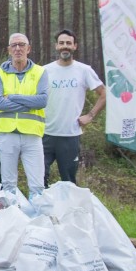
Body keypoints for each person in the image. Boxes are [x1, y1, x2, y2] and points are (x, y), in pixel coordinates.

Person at [43, 29, 105, 186]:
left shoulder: (84, 70)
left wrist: (90, 116)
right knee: (39, 178)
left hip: (70, 135)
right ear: (56, 46)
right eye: (62, 43)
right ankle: (42, 209)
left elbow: (104, 94)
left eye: (68, 43)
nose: (65, 46)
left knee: (69, 181)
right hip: (45, 134)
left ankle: (68, 209)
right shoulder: (45, 71)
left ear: (75, 46)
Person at [0, 33, 48, 198]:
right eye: (14, 45)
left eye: (22, 45)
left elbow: (42, 101)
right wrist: (28, 103)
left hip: (32, 135)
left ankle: (38, 219)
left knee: (37, 185)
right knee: (8, 185)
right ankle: (12, 220)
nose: (18, 48)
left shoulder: (40, 72)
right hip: (7, 135)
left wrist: (13, 97)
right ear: (9, 50)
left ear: (28, 49)